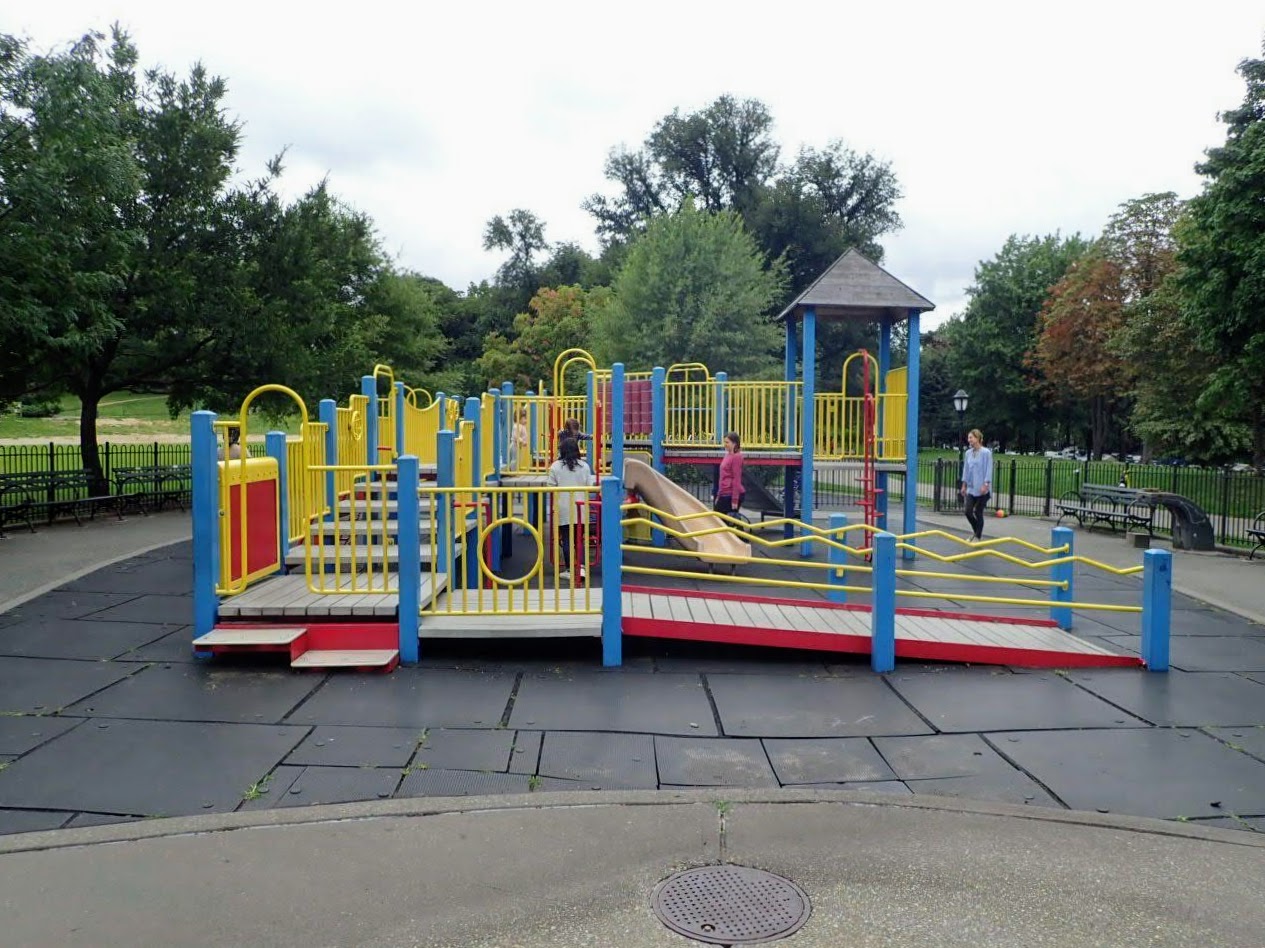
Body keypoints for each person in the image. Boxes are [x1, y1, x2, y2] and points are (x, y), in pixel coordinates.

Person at [546, 436, 593, 581]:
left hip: (564, 507)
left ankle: (569, 569)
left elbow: (550, 487)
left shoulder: (555, 466)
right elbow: (589, 486)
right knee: (579, 539)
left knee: (566, 538)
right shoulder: (584, 466)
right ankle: (581, 567)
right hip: (581, 508)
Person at [959, 428, 993, 542]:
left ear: (977, 438)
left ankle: (977, 536)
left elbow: (989, 469)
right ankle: (976, 532)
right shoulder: (968, 453)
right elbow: (966, 470)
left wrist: (986, 484)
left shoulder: (986, 453)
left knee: (978, 511)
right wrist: (964, 485)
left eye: (971, 438)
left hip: (983, 488)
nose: (969, 440)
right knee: (968, 512)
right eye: (968, 438)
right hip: (971, 488)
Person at [714, 431, 744, 518]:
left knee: (722, 519)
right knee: (721, 518)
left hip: (730, 494)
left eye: (727, 442)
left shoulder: (737, 457)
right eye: (725, 442)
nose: (725, 444)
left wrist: (735, 500)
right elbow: (722, 477)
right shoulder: (727, 455)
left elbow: (736, 478)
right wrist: (718, 495)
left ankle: (738, 530)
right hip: (724, 492)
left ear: (734, 443)